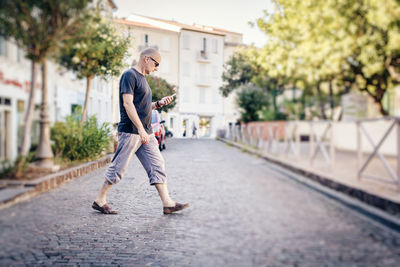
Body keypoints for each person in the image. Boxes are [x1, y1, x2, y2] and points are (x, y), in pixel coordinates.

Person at [92, 48, 189, 215]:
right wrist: (139, 129)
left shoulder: (143, 80)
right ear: (146, 59)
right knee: (119, 167)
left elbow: (142, 107)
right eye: (156, 64)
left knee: (157, 164)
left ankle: (167, 203)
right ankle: (100, 200)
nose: (157, 68)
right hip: (131, 131)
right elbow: (128, 104)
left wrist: (158, 104)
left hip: (146, 132)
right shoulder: (129, 75)